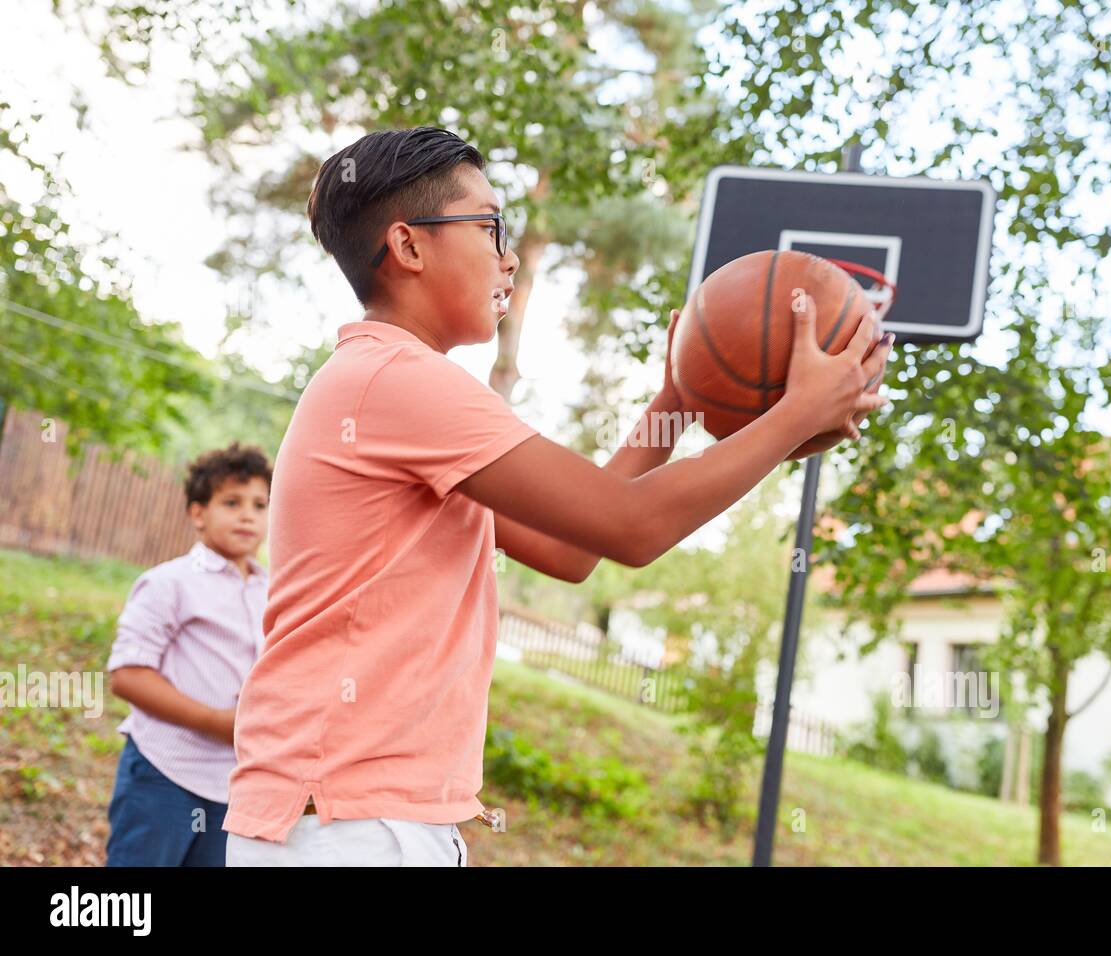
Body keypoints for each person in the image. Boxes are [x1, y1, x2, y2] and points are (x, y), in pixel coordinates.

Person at [223, 126, 894, 867]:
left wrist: (676, 397)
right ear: (409, 248)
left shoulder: (394, 386)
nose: (508, 256)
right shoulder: (400, 382)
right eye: (489, 226)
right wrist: (798, 413)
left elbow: (575, 548)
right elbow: (632, 526)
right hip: (348, 822)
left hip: (359, 817)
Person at [105, 442, 271, 866]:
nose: (248, 514)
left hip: (232, 784)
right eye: (231, 502)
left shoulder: (274, 592)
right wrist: (215, 722)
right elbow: (128, 674)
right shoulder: (169, 583)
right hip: (164, 772)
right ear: (198, 513)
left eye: (260, 504)